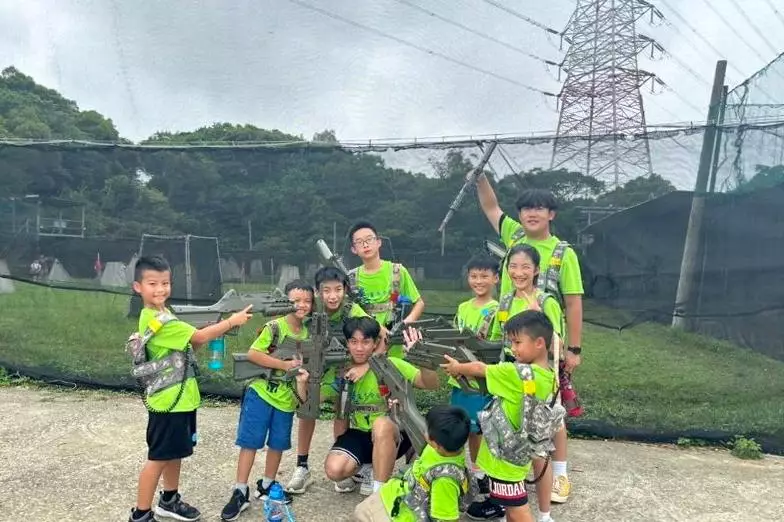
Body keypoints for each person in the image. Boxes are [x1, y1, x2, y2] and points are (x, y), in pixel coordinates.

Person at [476, 177, 582, 503]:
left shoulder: (563, 253)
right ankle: (520, 466)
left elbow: (573, 302)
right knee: (515, 406)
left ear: (551, 214)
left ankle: (559, 475)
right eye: (525, 209)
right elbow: (491, 207)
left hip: (544, 345)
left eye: (539, 208)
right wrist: (479, 177)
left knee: (551, 411)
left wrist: (573, 349)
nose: (531, 214)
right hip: (512, 343)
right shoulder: (514, 235)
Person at [128, 256, 253, 522]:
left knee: (173, 453)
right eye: (152, 283)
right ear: (138, 287)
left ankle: (169, 499)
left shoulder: (164, 315)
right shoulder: (159, 320)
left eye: (165, 283)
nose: (160, 289)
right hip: (169, 402)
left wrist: (207, 331)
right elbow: (198, 337)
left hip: (180, 398)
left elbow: (189, 345)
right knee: (158, 458)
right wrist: (232, 321)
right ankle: (141, 514)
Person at [441, 311, 558, 522]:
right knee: (512, 509)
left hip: (504, 460)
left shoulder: (516, 374)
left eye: (517, 342)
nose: (513, 348)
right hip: (519, 456)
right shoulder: (548, 376)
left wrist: (457, 367)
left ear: (539, 343)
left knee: (518, 511)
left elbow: (480, 369)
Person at [220, 280, 314, 521]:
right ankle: (240, 490)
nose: (302, 305)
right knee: (250, 442)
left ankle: (267, 484)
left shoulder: (309, 335)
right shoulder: (274, 327)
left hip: (286, 400)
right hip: (261, 393)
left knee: (278, 443)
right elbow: (253, 354)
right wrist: (283, 365)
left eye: (307, 301)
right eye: (296, 300)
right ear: (285, 302)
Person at [322, 316, 440, 496]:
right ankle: (368, 468)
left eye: (365, 342)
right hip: (360, 434)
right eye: (354, 342)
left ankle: (380, 493)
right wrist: (304, 378)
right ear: (347, 343)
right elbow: (313, 399)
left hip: (395, 432)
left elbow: (431, 384)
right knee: (334, 470)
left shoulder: (391, 364)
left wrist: (424, 360)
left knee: (381, 425)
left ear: (375, 343)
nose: (359, 348)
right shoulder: (339, 371)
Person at [285, 266, 371, 496]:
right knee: (307, 411)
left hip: (342, 372)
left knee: (341, 413)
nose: (333, 296)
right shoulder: (310, 307)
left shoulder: (352, 310)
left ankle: (342, 462)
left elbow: (379, 335)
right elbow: (288, 323)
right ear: (317, 291)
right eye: (326, 291)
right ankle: (302, 466)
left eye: (338, 290)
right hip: (314, 370)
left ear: (345, 290)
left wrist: (365, 365)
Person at [352, 405, 472, 522]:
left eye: (426, 428)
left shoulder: (445, 481)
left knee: (362, 515)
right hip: (394, 495)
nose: (423, 430)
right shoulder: (448, 448)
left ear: (435, 443)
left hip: (401, 514)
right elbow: (413, 425)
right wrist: (399, 408)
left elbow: (447, 518)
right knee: (360, 511)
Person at [449, 255, 499, 481]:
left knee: (481, 426)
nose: (478, 281)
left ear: (495, 278)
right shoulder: (462, 307)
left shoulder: (497, 310)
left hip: (481, 381)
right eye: (474, 276)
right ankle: (466, 467)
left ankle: (481, 471)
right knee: (463, 424)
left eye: (484, 276)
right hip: (458, 379)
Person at [347, 221, 425, 358]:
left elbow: (419, 303)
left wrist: (405, 323)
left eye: (369, 239)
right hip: (363, 346)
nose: (365, 245)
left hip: (395, 345)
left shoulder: (397, 271)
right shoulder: (350, 278)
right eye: (359, 242)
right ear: (353, 249)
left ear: (379, 242)